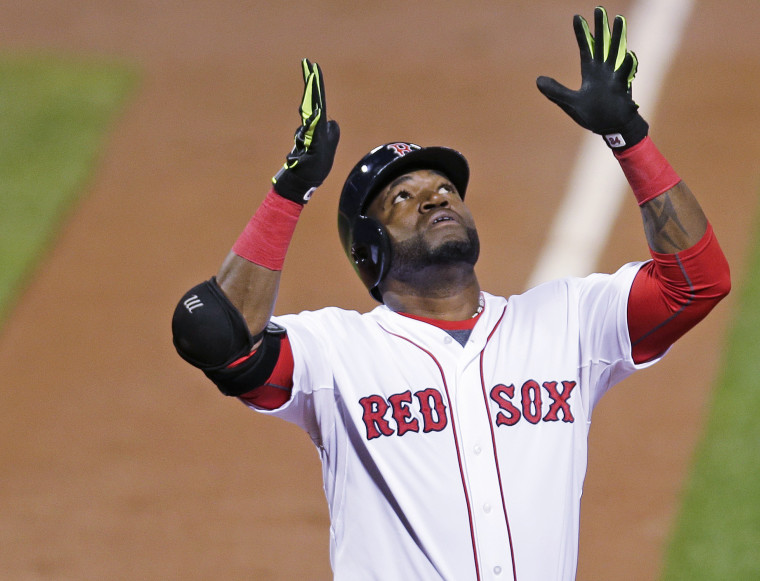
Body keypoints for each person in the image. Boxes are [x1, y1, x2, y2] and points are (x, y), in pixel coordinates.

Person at [172, 7, 730, 580]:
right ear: (370, 247)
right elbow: (222, 337)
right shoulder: (336, 351)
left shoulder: (568, 322)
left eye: (444, 188)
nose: (436, 198)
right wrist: (290, 192)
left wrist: (629, 138)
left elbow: (698, 282)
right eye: (403, 198)